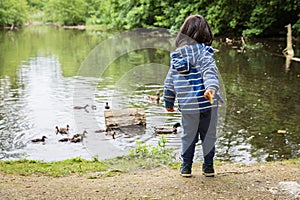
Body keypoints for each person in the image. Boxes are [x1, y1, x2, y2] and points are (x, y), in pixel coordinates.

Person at [164, 14, 221, 177]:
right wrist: (211, 88)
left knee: (188, 136)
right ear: (206, 33)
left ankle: (186, 167)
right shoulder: (204, 53)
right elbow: (209, 71)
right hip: (207, 104)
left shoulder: (177, 57)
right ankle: (208, 166)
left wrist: (168, 101)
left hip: (188, 106)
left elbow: (169, 82)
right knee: (208, 135)